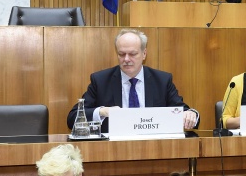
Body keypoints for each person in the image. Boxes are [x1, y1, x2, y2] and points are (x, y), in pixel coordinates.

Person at [66, 28, 199, 132]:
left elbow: (183, 110)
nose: (127, 59)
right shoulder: (100, 80)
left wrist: (191, 114)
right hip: (112, 151)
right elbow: (73, 118)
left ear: (144, 54)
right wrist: (103, 111)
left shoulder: (162, 80)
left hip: (154, 149)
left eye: (133, 54)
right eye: (121, 54)